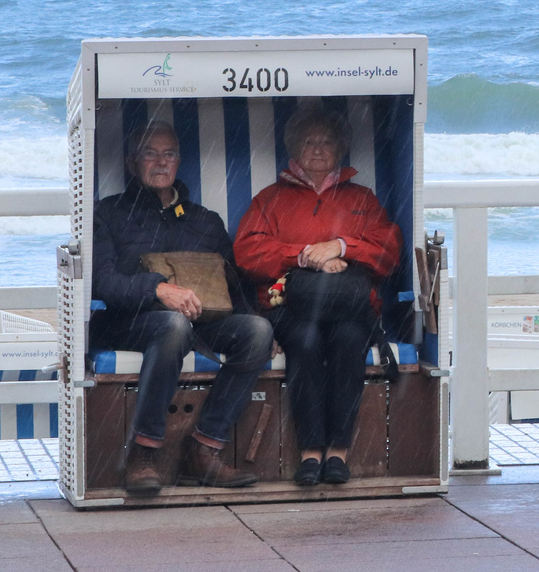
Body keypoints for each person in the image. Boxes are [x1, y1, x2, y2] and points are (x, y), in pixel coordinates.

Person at [91, 121, 273, 495]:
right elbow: (101, 283)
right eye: (150, 153)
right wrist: (157, 289)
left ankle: (205, 449)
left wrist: (262, 323)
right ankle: (143, 453)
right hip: (129, 322)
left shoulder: (205, 221)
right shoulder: (107, 214)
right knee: (173, 325)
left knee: (257, 332)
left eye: (169, 154)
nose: (161, 162)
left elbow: (234, 289)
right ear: (131, 162)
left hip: (200, 324)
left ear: (179, 161)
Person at [234, 106, 402, 487]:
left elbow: (389, 248)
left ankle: (338, 452)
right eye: (309, 141)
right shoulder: (270, 198)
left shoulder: (362, 198)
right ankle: (311, 452)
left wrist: (342, 247)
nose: (318, 148)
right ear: (294, 148)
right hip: (291, 307)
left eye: (326, 141)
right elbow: (247, 253)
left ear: (340, 149)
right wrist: (306, 256)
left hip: (349, 306)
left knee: (346, 341)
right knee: (306, 342)